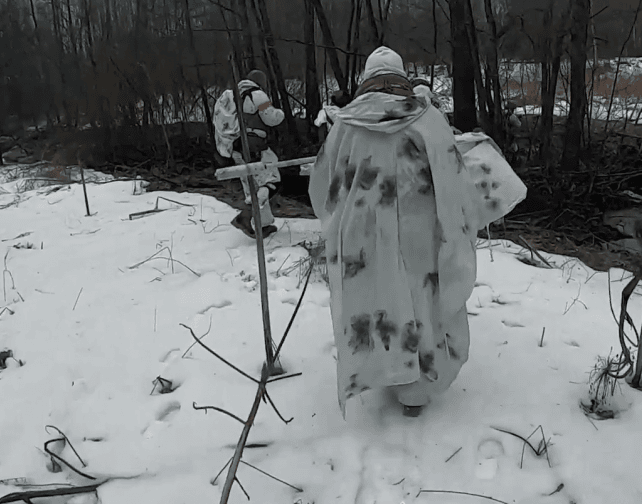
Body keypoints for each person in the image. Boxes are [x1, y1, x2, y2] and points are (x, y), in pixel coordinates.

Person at [309, 46, 525, 418]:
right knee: (420, 302)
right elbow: (453, 174)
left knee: (377, 299)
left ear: (367, 79)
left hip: (362, 234)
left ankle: (388, 370)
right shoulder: (427, 118)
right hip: (419, 230)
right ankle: (416, 390)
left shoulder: (343, 124)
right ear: (401, 78)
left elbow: (324, 183)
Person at [213, 69, 284, 238]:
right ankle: (246, 217)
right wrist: (280, 113)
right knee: (273, 179)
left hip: (236, 147)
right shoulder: (257, 95)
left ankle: (262, 224)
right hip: (255, 147)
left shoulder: (231, 96)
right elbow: (271, 118)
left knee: (250, 184)